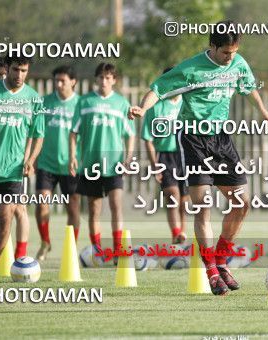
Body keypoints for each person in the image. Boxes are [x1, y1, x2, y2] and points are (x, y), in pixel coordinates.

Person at [129, 20, 268, 295]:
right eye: (225, 53)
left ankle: (221, 259)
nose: (229, 58)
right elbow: (158, 88)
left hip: (221, 139)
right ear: (212, 46)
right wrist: (141, 107)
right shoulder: (191, 68)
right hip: (194, 140)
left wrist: (264, 112)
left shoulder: (238, 63)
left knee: (242, 203)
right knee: (203, 207)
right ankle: (210, 270)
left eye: (233, 52)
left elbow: (249, 87)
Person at [0, 55, 44, 282]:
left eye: (24, 71)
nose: (19, 75)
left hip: (12, 171)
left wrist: (30, 160)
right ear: (7, 69)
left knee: (6, 219)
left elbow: (38, 135)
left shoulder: (33, 98)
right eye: (16, 70)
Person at [70, 62, 135, 262]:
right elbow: (73, 132)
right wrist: (72, 156)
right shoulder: (85, 102)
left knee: (116, 205)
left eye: (108, 78)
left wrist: (129, 157)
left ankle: (117, 252)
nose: (104, 81)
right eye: (101, 77)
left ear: (114, 80)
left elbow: (129, 134)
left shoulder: (122, 103)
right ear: (96, 79)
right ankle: (97, 251)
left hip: (114, 165)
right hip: (91, 165)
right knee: (94, 209)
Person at [35, 65, 81, 261]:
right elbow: (35, 133)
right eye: (56, 80)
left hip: (72, 166)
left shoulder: (81, 104)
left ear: (73, 82)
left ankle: (71, 249)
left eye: (63, 80)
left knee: (73, 209)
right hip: (46, 164)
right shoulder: (45, 103)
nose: (59, 84)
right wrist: (34, 158)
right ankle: (45, 242)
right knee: (42, 205)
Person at [141, 67, 189, 244]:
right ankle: (176, 233)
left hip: (186, 155)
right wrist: (154, 165)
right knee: (172, 195)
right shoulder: (156, 106)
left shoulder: (187, 103)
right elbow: (148, 138)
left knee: (184, 201)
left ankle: (181, 235)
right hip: (166, 157)